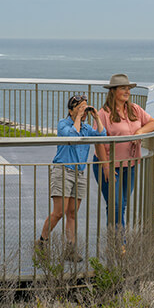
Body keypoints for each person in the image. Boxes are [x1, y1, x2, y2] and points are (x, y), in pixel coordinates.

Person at [36, 93, 106, 262]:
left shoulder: (87, 127)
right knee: (59, 212)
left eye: (86, 108)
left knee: (72, 213)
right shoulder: (63, 124)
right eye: (80, 108)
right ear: (71, 110)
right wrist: (78, 118)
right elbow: (72, 138)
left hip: (80, 173)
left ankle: (70, 250)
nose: (84, 111)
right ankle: (41, 243)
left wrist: (96, 117)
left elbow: (103, 136)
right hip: (63, 171)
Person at [92, 73, 154, 227]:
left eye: (128, 88)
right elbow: (98, 141)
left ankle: (114, 240)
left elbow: (153, 124)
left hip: (130, 165)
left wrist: (140, 132)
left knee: (121, 204)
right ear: (113, 91)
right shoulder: (104, 114)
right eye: (123, 88)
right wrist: (106, 166)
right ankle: (120, 243)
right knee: (116, 204)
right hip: (109, 165)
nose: (127, 91)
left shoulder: (135, 109)